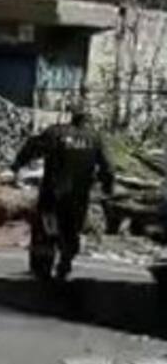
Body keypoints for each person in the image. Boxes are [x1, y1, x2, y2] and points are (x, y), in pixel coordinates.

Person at [11, 108, 115, 282]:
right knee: (71, 229)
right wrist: (108, 187)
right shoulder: (95, 139)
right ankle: (65, 262)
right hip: (78, 195)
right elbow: (108, 168)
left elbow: (32, 147)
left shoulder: (55, 132)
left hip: (52, 192)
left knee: (46, 228)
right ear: (87, 120)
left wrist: (16, 165)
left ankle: (42, 267)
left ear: (71, 118)